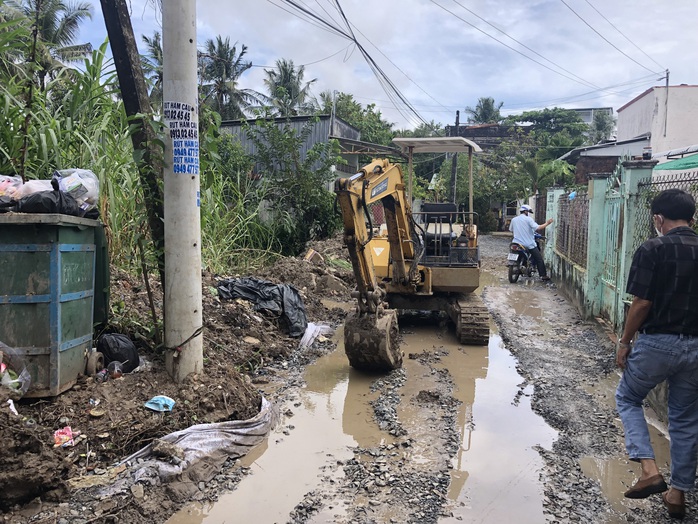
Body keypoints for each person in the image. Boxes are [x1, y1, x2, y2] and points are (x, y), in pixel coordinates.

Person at [615, 188, 698, 520]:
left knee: (629, 397)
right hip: (697, 348)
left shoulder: (652, 248)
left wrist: (624, 341)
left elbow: (642, 303)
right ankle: (677, 494)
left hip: (657, 344)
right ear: (691, 217)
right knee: (685, 418)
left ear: (659, 219)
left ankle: (649, 469)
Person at [509, 204, 553, 281]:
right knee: (539, 259)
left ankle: (520, 265)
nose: (528, 213)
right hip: (528, 244)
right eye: (528, 211)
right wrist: (547, 223)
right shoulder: (528, 219)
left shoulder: (514, 220)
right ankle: (543, 275)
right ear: (526, 211)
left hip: (516, 243)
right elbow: (538, 228)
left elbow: (511, 230)